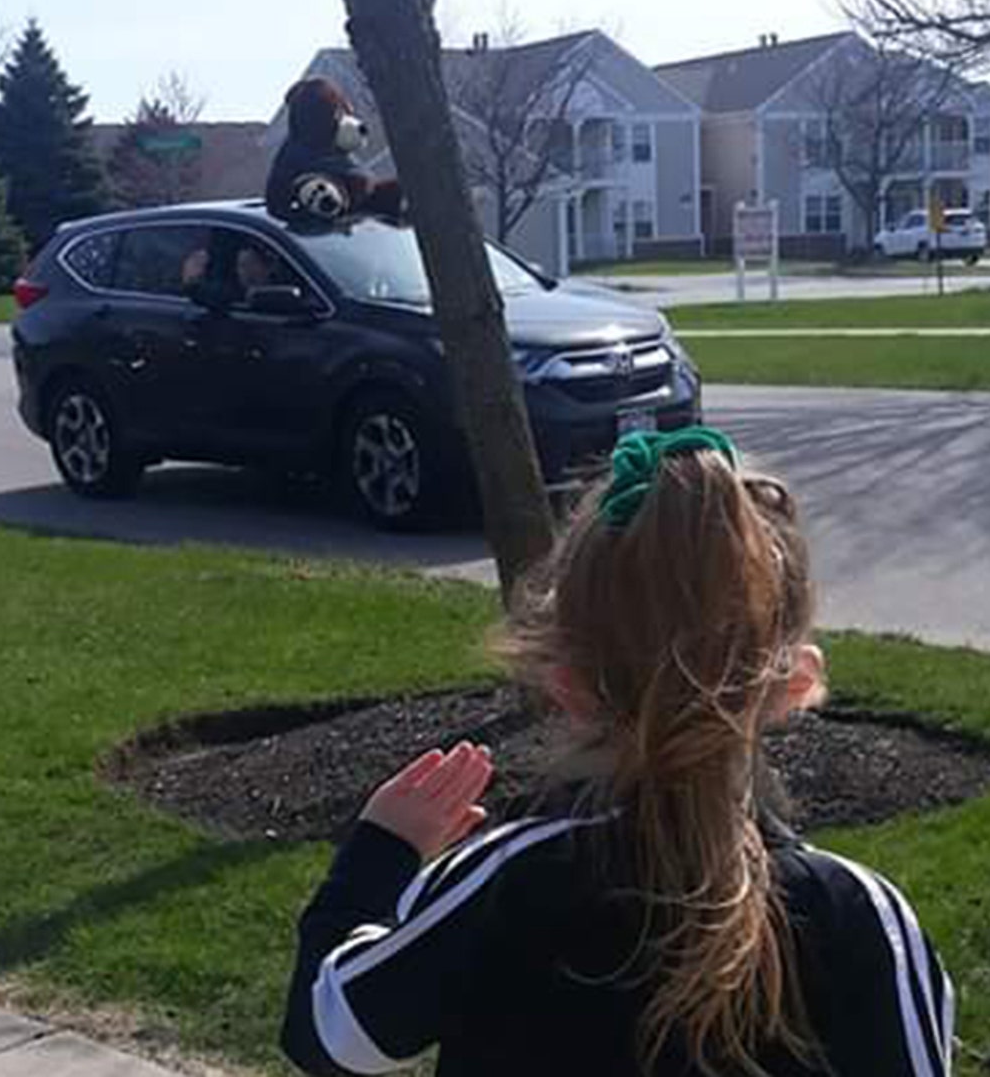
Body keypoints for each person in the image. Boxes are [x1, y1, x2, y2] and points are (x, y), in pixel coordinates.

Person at [280, 428, 956, 1077]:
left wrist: (380, 852)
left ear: (565, 685)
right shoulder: (862, 918)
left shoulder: (506, 882)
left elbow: (331, 1037)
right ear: (798, 683)